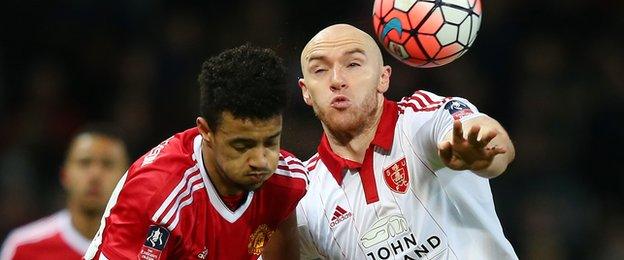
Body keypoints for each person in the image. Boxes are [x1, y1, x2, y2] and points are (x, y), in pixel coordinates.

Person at [295, 24, 518, 259]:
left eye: (353, 64)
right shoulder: (304, 194)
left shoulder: (423, 119)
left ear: (383, 78)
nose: (337, 80)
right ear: (306, 91)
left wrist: (483, 154)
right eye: (319, 70)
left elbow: (490, 140)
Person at [84, 44, 308, 260]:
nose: (261, 161)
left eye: (271, 142)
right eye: (242, 146)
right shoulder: (157, 197)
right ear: (206, 131)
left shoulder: (285, 180)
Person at [0, 124, 130, 259]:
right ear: (64, 175)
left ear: (128, 179)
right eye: (84, 163)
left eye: (107, 164)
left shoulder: (146, 249)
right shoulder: (23, 248)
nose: (95, 175)